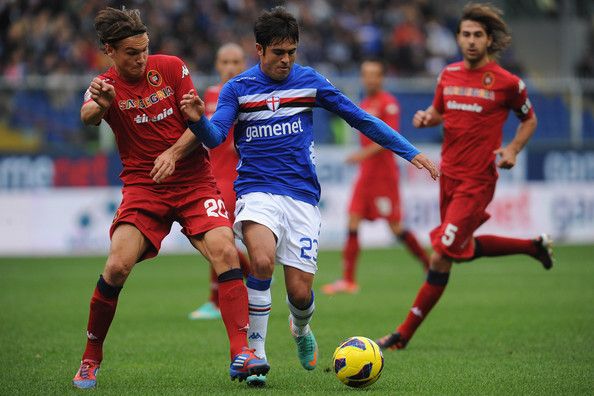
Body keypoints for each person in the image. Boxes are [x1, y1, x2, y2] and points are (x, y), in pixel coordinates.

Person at [174, 6, 439, 386]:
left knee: (300, 293)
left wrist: (411, 153)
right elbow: (216, 137)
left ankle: (300, 330)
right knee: (261, 262)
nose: (286, 60)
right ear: (259, 50)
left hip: (301, 198)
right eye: (278, 52)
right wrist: (198, 120)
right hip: (256, 191)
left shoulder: (309, 82)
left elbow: (360, 118)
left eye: (291, 52)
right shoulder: (238, 89)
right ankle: (256, 356)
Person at [71, 8, 269, 389]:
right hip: (144, 190)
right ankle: (91, 356)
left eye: (145, 49)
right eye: (131, 52)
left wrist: (173, 154)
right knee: (116, 268)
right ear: (110, 50)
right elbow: (87, 115)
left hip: (194, 182)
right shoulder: (104, 85)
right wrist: (104, 104)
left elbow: (198, 123)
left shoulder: (173, 68)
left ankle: (240, 353)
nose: (141, 58)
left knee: (226, 252)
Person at [376, 3, 554, 352]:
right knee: (461, 250)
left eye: (478, 35)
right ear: (458, 38)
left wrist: (513, 149)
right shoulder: (448, 75)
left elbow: (529, 120)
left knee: (442, 253)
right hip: (449, 176)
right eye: (466, 34)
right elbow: (440, 111)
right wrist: (428, 117)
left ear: (489, 40)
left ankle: (402, 334)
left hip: (478, 181)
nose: (471, 41)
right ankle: (533, 246)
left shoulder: (508, 84)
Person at [322, 59, 430, 295]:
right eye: (366, 74)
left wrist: (360, 155)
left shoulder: (388, 103)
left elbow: (388, 139)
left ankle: (428, 264)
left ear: (381, 78)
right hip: (366, 176)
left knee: (395, 227)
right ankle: (348, 280)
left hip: (383, 176)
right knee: (352, 219)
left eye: (374, 75)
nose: (370, 79)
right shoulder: (364, 102)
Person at [188, 43, 251, 320]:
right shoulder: (211, 94)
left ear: (244, 65)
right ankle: (254, 274)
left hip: (239, 177)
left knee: (219, 238)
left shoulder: (249, 93)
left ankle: (216, 301)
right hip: (213, 176)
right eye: (225, 62)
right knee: (221, 239)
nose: (230, 67)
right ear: (217, 64)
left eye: (236, 62)